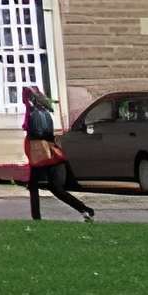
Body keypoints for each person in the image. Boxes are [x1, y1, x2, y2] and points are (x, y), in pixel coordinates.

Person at [22, 83, 93, 219]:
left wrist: (30, 133)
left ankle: (36, 218)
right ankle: (84, 209)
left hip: (40, 156)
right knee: (55, 188)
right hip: (51, 153)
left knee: (37, 187)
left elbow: (38, 132)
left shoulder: (33, 113)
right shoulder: (45, 112)